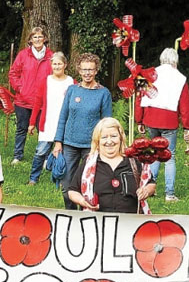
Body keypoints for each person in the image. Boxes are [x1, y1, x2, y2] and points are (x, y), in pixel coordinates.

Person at [53, 53, 113, 209]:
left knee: (88, 183)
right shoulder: (72, 90)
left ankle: (85, 212)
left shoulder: (103, 93)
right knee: (67, 185)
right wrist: (58, 142)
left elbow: (107, 122)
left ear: (96, 71)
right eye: (84, 69)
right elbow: (62, 117)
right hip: (69, 144)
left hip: (91, 146)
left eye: (91, 70)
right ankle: (70, 212)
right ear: (79, 70)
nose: (87, 73)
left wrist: (104, 145)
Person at [135, 48, 189, 202]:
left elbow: (140, 98)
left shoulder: (148, 74)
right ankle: (169, 193)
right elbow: (185, 106)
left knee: (153, 153)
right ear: (175, 61)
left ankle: (150, 186)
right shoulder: (180, 78)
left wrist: (139, 119)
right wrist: (187, 126)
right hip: (169, 120)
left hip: (151, 118)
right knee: (170, 156)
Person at [68, 118, 155, 213]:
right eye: (104, 137)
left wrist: (146, 190)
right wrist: (83, 201)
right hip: (97, 223)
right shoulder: (88, 163)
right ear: (98, 141)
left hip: (130, 223)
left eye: (113, 136)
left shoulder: (134, 161)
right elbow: (72, 191)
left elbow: (151, 184)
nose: (109, 141)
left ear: (120, 138)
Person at [27, 52, 75, 185]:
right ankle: (33, 178)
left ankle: (60, 179)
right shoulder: (45, 81)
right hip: (48, 123)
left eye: (60, 63)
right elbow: (38, 103)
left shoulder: (71, 82)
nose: (57, 66)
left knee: (64, 154)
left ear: (65, 65)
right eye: (54, 64)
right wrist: (32, 122)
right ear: (51, 65)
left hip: (65, 124)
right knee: (41, 151)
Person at [9, 26, 53, 165]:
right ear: (30, 40)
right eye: (35, 37)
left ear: (45, 39)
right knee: (21, 128)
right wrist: (20, 88)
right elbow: (13, 73)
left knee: (43, 130)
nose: (38, 39)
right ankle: (18, 155)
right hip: (23, 100)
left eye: (40, 37)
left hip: (42, 102)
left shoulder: (51, 56)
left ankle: (44, 157)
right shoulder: (23, 55)